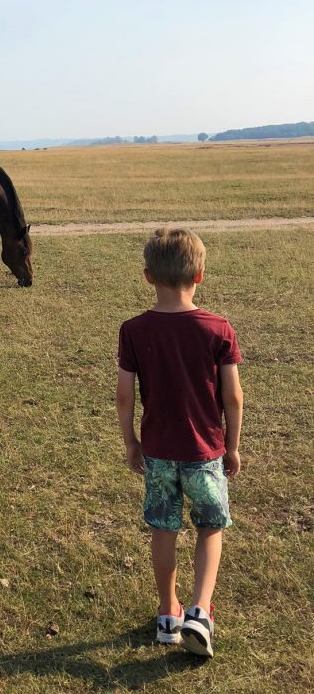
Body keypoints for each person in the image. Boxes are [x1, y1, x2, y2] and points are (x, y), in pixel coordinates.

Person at [115, 227, 244, 658]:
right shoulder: (218, 328)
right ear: (201, 275)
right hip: (205, 452)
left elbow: (124, 393)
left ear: (148, 276)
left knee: (163, 528)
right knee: (210, 527)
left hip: (157, 451)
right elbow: (233, 396)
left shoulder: (133, 330)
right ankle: (200, 611)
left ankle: (167, 613)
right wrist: (233, 445)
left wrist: (131, 441)